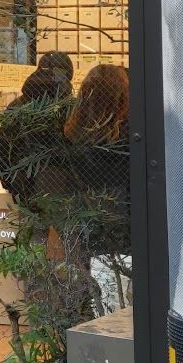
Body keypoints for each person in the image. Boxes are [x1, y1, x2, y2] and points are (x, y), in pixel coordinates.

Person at [61, 63, 130, 258]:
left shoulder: (71, 138)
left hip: (85, 230)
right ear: (122, 98)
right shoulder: (129, 139)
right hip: (123, 231)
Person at [0, 65, 72, 203]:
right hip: (59, 187)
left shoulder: (16, 107)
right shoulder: (61, 110)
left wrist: (10, 184)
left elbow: (2, 150)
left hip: (23, 186)